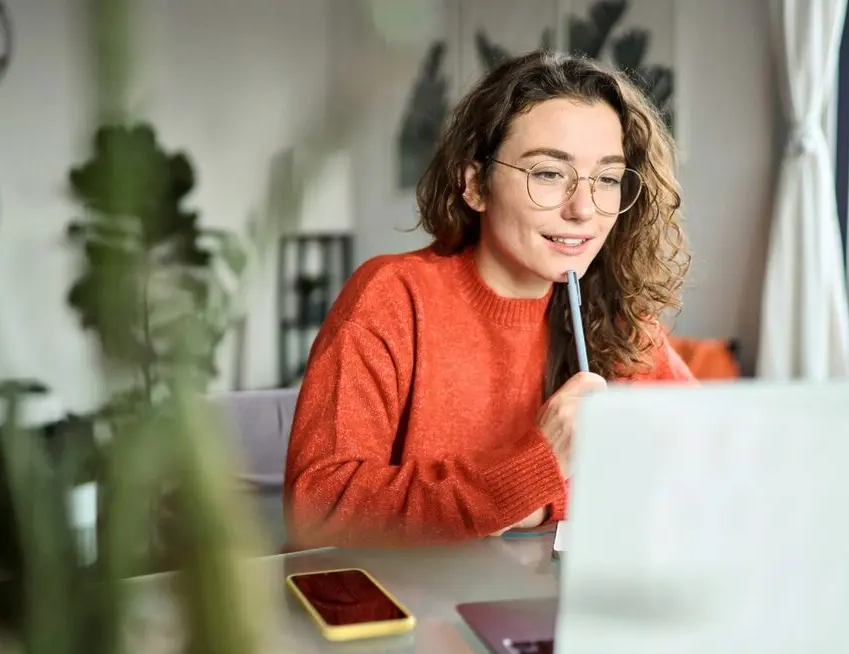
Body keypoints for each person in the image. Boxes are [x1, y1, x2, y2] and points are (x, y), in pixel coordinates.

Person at [283, 50, 694, 549]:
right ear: (476, 184)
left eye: (606, 179)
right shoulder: (392, 297)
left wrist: (543, 502)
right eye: (548, 173)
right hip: (408, 611)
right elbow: (318, 510)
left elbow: (703, 466)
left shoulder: (617, 315)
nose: (584, 209)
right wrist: (535, 473)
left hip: (558, 610)